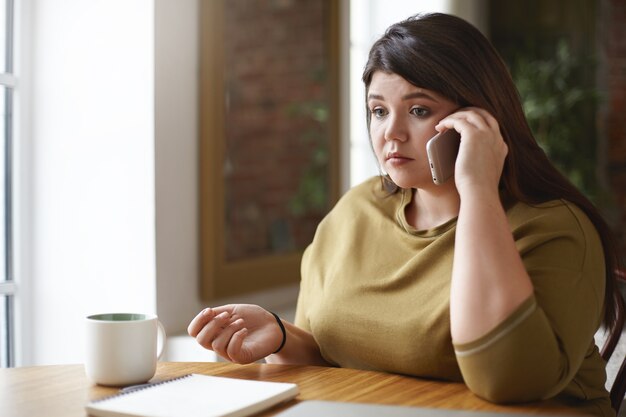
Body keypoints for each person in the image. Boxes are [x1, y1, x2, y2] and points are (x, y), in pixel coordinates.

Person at [188, 13, 622, 416]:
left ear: (480, 118)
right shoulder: (356, 211)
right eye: (378, 110)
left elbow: (508, 380)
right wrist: (283, 337)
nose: (390, 132)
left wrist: (477, 189)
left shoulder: (555, 228)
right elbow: (336, 363)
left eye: (418, 110)